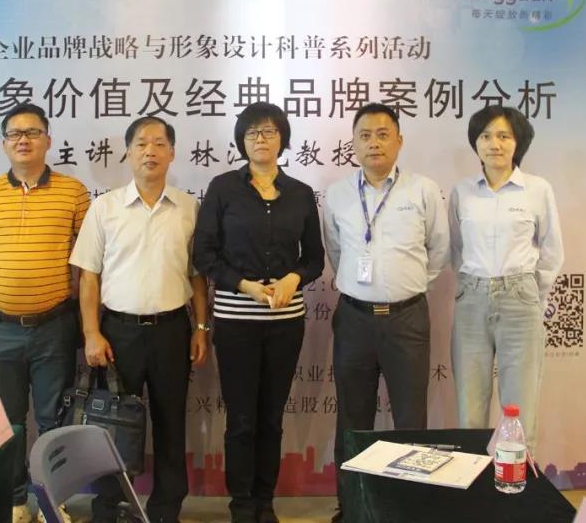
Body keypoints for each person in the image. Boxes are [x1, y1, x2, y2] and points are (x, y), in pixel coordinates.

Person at [71, 116, 209, 523]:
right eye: (142, 144)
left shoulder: (189, 208)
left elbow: (197, 276)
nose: (151, 151)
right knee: (112, 426)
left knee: (171, 423)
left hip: (172, 330)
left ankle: (166, 510)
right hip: (118, 332)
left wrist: (201, 328)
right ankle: (109, 509)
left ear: (172, 153)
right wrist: (91, 332)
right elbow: (89, 277)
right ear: (128, 153)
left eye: (159, 144)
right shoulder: (105, 207)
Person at [193, 102, 324, 523]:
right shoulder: (223, 189)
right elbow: (204, 255)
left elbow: (315, 259)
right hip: (236, 322)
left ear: (282, 139)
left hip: (286, 324)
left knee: (271, 417)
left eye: (269, 132)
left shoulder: (300, 193)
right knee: (241, 419)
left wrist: (292, 279)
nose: (260, 139)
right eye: (252, 133)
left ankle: (265, 502)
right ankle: (242, 505)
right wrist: (245, 285)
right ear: (241, 141)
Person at [0, 103, 90, 523]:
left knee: (55, 420)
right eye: (15, 134)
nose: (23, 140)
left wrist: (87, 323)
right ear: (4, 144)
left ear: (48, 141)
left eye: (32, 132)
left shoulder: (74, 192)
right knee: (4, 422)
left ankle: (54, 501)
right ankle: (14, 501)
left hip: (55, 326)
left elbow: (87, 264)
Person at [322, 102, 449, 522]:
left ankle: (407, 509)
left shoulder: (423, 191)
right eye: (365, 135)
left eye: (382, 134)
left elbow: (439, 251)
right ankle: (352, 507)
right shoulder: (338, 194)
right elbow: (336, 251)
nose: (373, 143)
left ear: (399, 141)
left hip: (406, 319)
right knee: (352, 419)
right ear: (353, 143)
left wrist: (404, 287)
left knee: (410, 418)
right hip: (354, 318)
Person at [449, 105, 563, 452]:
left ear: (518, 143)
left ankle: (516, 479)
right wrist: (473, 286)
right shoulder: (462, 192)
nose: (494, 144)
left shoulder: (537, 189)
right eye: (485, 136)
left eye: (503, 136)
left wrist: (531, 295)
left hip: (520, 300)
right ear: (476, 143)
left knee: (520, 405)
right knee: (470, 404)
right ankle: (473, 479)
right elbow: (456, 248)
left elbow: (551, 251)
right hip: (472, 299)